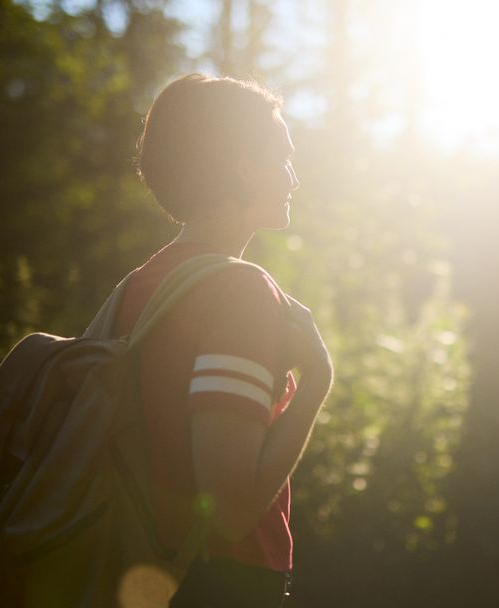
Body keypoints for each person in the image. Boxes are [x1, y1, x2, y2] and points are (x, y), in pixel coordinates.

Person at [109, 73, 333, 608]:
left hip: (130, 568)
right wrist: (318, 382)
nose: (293, 179)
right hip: (217, 581)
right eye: (281, 158)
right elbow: (230, 512)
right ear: (242, 166)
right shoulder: (241, 292)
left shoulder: (136, 288)